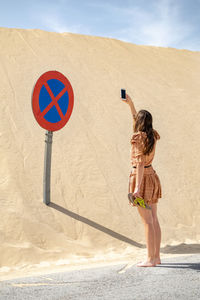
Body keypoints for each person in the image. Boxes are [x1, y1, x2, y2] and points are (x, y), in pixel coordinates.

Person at [122, 93, 162, 267]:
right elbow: (137, 121)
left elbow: (138, 164)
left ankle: (150, 258)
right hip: (152, 176)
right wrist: (131, 104)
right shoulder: (151, 135)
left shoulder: (138, 138)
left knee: (147, 221)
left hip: (142, 179)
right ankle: (157, 256)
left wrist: (137, 188)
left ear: (139, 123)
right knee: (154, 218)